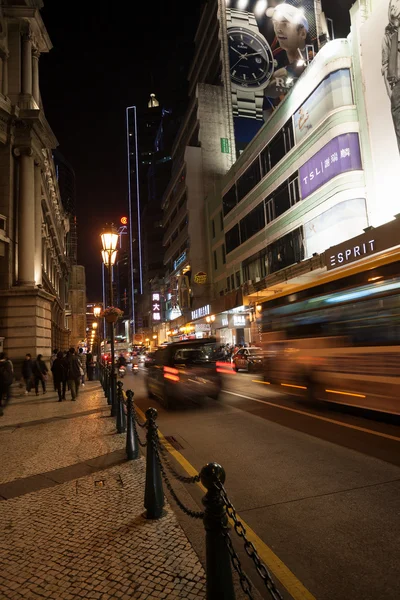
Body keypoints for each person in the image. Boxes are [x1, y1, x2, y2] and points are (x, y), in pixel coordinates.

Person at [265, 3, 310, 98]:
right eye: (275, 23)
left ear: (302, 33)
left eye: (284, 24)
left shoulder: (314, 61)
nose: (278, 29)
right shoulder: (278, 71)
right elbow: (269, 93)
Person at [382, 0, 400, 153]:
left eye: (396, 2)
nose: (393, 5)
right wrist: (391, 93)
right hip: (396, 87)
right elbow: (385, 65)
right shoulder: (387, 35)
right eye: (391, 4)